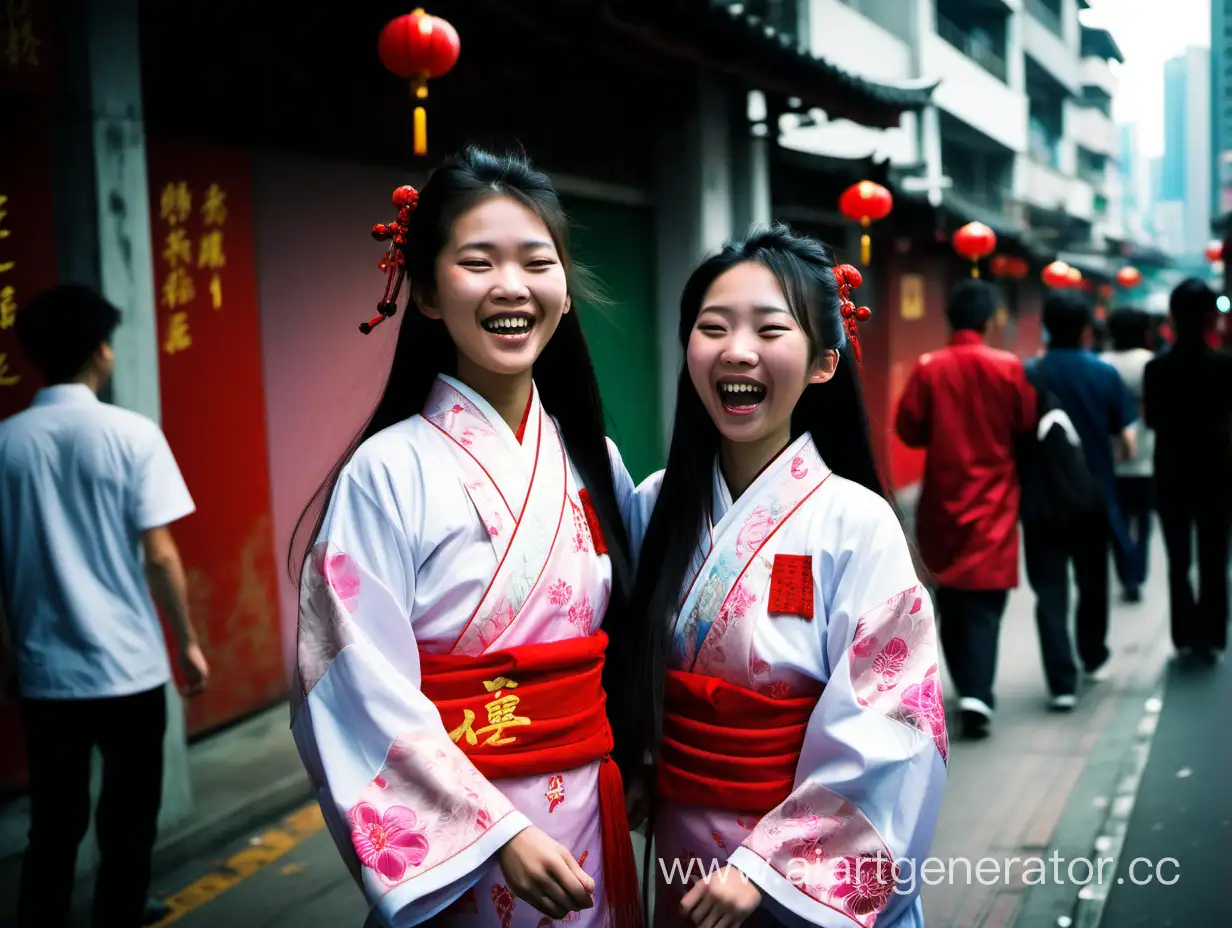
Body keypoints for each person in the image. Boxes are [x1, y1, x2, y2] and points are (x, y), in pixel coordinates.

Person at [289, 147, 644, 928]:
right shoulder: (386, 472)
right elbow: (352, 679)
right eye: (478, 262)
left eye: (536, 262)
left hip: (587, 799)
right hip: (470, 838)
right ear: (424, 293)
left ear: (563, 287)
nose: (511, 287)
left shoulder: (591, 460)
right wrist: (497, 832)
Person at [626, 226, 947, 928]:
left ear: (824, 363)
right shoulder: (653, 506)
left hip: (796, 869)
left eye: (770, 329)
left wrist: (774, 864)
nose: (737, 350)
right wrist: (644, 762)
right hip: (684, 843)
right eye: (713, 327)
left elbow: (894, 717)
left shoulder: (856, 522)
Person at [0, 285, 209, 928]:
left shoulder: (6, 443)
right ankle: (118, 913)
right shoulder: (131, 434)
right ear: (100, 350)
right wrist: (188, 641)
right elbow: (161, 555)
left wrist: (10, 655)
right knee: (127, 819)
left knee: (54, 824)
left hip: (46, 672)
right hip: (130, 668)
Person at [895, 279, 1036, 740]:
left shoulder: (930, 367)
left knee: (949, 597)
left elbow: (909, 430)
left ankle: (968, 688)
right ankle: (977, 691)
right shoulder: (1009, 367)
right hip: (994, 500)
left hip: (943, 501)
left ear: (950, 318)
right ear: (990, 318)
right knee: (987, 602)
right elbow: (1025, 425)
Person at [1022, 291, 1137, 708]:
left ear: (1047, 326)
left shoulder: (1030, 373)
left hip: (1041, 501)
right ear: (1087, 327)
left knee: (1050, 590)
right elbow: (1126, 438)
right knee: (1093, 583)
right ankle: (1094, 656)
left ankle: (1061, 683)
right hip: (1093, 497)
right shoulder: (1103, 374)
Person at [1144, 279, 1232, 664]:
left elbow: (1153, 422)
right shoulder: (1225, 367)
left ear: (1173, 318)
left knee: (1179, 560)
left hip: (1172, 473)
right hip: (1217, 472)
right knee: (1214, 558)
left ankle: (1183, 635)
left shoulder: (1157, 368)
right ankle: (1211, 636)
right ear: (1211, 318)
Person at [1100, 308, 1156, 603]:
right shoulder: (1149, 362)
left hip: (1112, 454)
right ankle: (1138, 568)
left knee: (1118, 518)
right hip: (1146, 451)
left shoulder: (1104, 363)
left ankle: (1126, 572)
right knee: (1143, 519)